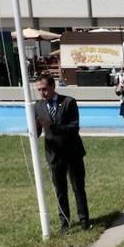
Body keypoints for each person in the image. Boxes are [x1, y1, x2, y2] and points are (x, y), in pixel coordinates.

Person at [34, 74, 90, 231]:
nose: (42, 93)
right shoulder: (38, 106)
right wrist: (33, 130)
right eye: (39, 90)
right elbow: (37, 129)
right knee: (60, 190)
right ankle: (65, 222)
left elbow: (74, 127)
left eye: (44, 89)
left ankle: (84, 220)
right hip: (54, 155)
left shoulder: (68, 102)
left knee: (78, 188)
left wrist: (52, 127)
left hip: (73, 153)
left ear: (53, 86)